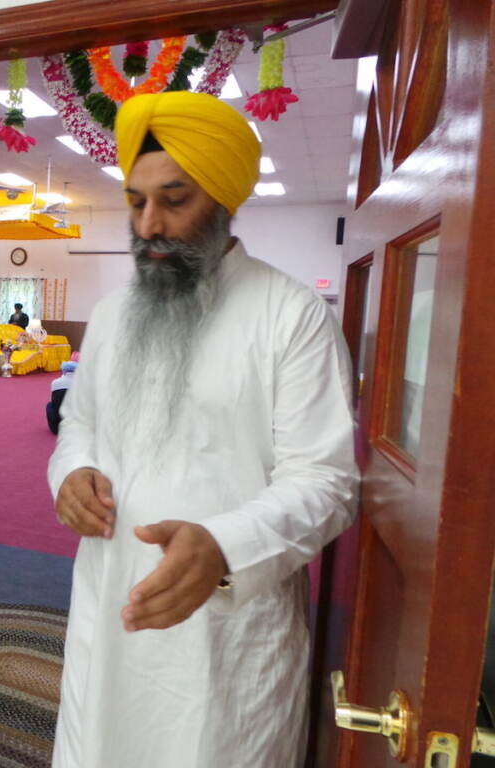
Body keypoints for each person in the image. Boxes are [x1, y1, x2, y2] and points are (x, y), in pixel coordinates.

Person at [47, 91, 358, 767]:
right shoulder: (112, 314)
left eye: (174, 199)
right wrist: (70, 473)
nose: (148, 223)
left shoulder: (291, 315)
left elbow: (327, 482)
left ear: (221, 198)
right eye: (135, 201)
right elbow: (81, 425)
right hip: (111, 601)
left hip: (223, 624)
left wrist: (223, 547)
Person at [46, 360, 76, 435]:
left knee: (49, 405)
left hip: (59, 427)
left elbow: (53, 401)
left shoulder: (56, 382)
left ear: (64, 370)